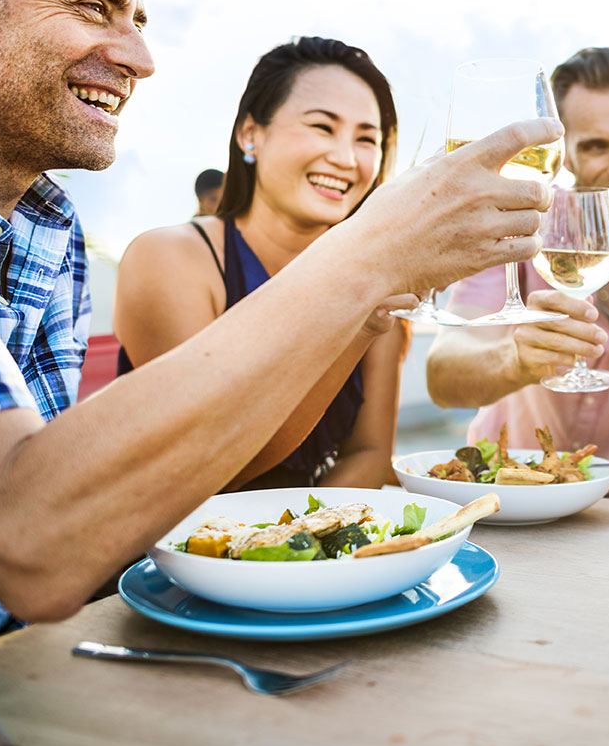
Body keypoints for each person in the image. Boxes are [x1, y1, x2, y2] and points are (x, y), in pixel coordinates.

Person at [0, 0, 557, 669]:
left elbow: (63, 542)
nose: (141, 59)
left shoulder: (49, 232)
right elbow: (33, 540)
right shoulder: (165, 251)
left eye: (139, 24)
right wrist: (369, 258)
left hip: (43, 661)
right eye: (91, 8)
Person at [115, 37, 409, 490]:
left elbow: (370, 456)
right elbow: (206, 468)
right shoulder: (171, 259)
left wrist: (305, 548)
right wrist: (360, 319)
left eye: (366, 139)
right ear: (250, 134)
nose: (347, 159)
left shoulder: (380, 285)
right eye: (322, 127)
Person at [425, 47, 609, 497]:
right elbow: (442, 375)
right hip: (506, 492)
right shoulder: (517, 233)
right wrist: (514, 361)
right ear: (565, 154)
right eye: (596, 145)